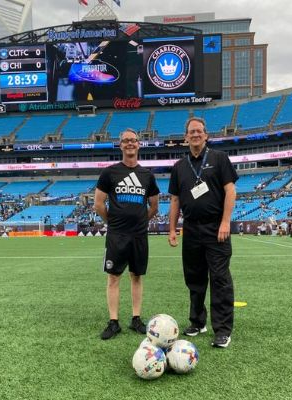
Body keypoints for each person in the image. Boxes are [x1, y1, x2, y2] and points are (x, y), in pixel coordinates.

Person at [168, 117, 238, 349]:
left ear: (206, 135)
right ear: (186, 137)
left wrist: (225, 222)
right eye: (191, 131)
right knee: (194, 279)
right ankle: (198, 322)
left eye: (199, 131)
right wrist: (172, 229)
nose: (195, 134)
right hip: (191, 229)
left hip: (216, 227)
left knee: (219, 279)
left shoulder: (219, 158)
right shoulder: (179, 166)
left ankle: (223, 330)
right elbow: (175, 200)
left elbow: (230, 191)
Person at [94, 128, 159, 340]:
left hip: (139, 235)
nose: (130, 143)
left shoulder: (147, 175)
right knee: (113, 277)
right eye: (125, 141)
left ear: (139, 144)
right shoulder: (109, 173)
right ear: (120, 145)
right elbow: (98, 204)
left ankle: (136, 318)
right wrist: (112, 223)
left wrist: (140, 222)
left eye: (133, 140)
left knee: (137, 275)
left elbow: (154, 206)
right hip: (117, 235)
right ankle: (113, 322)